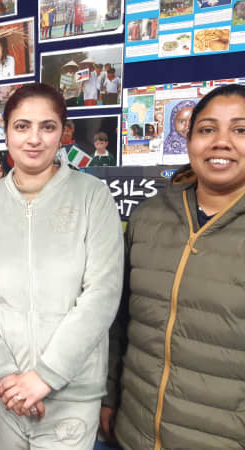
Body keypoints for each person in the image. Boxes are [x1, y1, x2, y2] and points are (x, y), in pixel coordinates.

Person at [0, 83, 123, 449]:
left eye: (47, 127)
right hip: (5, 392)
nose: (34, 138)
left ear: (63, 134)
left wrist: (45, 377)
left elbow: (102, 294)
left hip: (71, 391)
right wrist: (4, 375)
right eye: (22, 126)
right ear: (6, 133)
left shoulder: (92, 197)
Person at [100, 83, 245, 449]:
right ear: (189, 139)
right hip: (135, 431)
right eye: (207, 129)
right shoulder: (149, 217)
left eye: (240, 130)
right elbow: (119, 322)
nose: (221, 142)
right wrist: (108, 395)